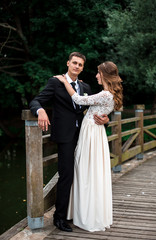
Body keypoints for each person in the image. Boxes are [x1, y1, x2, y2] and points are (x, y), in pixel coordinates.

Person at [29, 52, 109, 232]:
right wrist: (40, 110)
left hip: (84, 137)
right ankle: (60, 217)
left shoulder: (85, 86)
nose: (77, 67)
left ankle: (79, 213)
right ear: (68, 63)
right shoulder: (55, 82)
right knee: (66, 176)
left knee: (84, 174)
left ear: (82, 68)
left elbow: (98, 108)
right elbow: (36, 100)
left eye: (80, 64)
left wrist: (106, 120)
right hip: (65, 138)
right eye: (74, 63)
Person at [55, 61, 123, 232]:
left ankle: (87, 214)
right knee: (87, 171)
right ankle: (81, 211)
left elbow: (78, 99)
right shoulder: (107, 95)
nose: (96, 76)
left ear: (105, 75)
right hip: (93, 134)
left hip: (91, 135)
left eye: (98, 73)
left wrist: (65, 82)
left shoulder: (105, 94)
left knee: (86, 171)